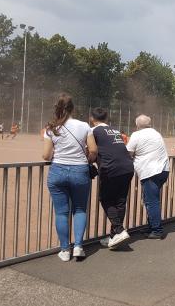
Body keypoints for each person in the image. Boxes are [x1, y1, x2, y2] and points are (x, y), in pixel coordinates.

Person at [42, 94, 97, 261]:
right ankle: (78, 246)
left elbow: (46, 155)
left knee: (61, 213)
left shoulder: (51, 128)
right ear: (73, 108)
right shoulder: (84, 126)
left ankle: (65, 250)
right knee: (80, 209)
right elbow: (93, 150)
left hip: (57, 170)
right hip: (80, 171)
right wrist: (87, 160)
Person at [90, 108, 134, 249]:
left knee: (106, 199)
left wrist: (89, 162)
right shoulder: (114, 129)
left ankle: (119, 230)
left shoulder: (93, 131)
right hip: (127, 167)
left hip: (111, 168)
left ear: (92, 118)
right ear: (106, 118)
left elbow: (91, 150)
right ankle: (114, 236)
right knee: (120, 201)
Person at [126, 115, 169, 239]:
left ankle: (157, 230)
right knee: (149, 200)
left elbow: (128, 152)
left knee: (151, 201)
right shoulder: (156, 133)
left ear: (137, 125)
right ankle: (152, 227)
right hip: (163, 169)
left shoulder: (136, 135)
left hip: (150, 171)